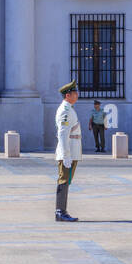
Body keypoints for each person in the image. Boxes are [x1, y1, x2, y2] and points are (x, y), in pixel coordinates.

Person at [54, 81, 82, 222]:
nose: (77, 95)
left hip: (71, 151)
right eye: (75, 93)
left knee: (66, 181)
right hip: (68, 152)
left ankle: (62, 211)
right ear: (67, 95)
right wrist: (66, 155)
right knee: (63, 180)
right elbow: (63, 134)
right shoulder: (65, 110)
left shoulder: (69, 108)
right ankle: (60, 212)